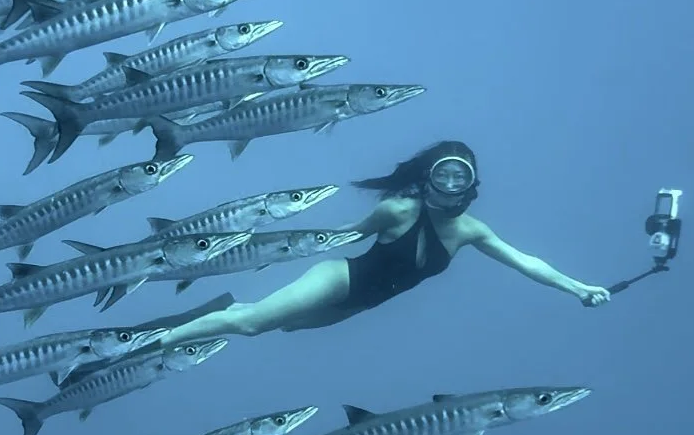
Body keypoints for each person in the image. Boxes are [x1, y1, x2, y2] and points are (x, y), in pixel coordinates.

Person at [156, 139, 611, 345]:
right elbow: (342, 238)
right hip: (339, 281)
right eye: (443, 173)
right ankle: (160, 340)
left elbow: (526, 263)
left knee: (284, 326)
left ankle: (226, 310)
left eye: (460, 176)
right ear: (428, 179)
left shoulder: (473, 231)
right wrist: (262, 251)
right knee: (253, 325)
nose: (450, 183)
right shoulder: (398, 210)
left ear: (471, 183)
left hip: (359, 306)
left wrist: (579, 288)